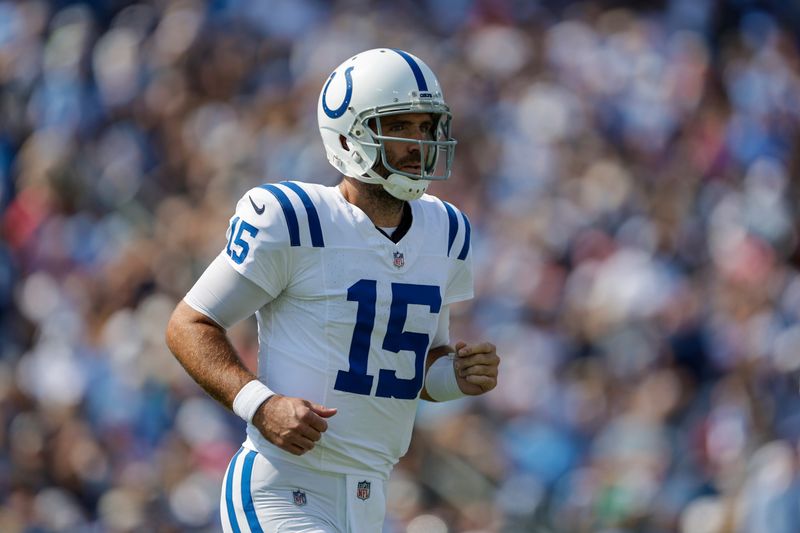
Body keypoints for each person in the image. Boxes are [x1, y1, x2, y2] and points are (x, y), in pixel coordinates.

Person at [165, 48, 500, 533]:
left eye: (426, 127)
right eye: (399, 125)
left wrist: (458, 375)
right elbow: (189, 323)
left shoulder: (446, 230)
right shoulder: (295, 218)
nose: (418, 142)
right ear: (349, 135)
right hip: (283, 488)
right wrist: (261, 405)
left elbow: (415, 370)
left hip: (371, 496)